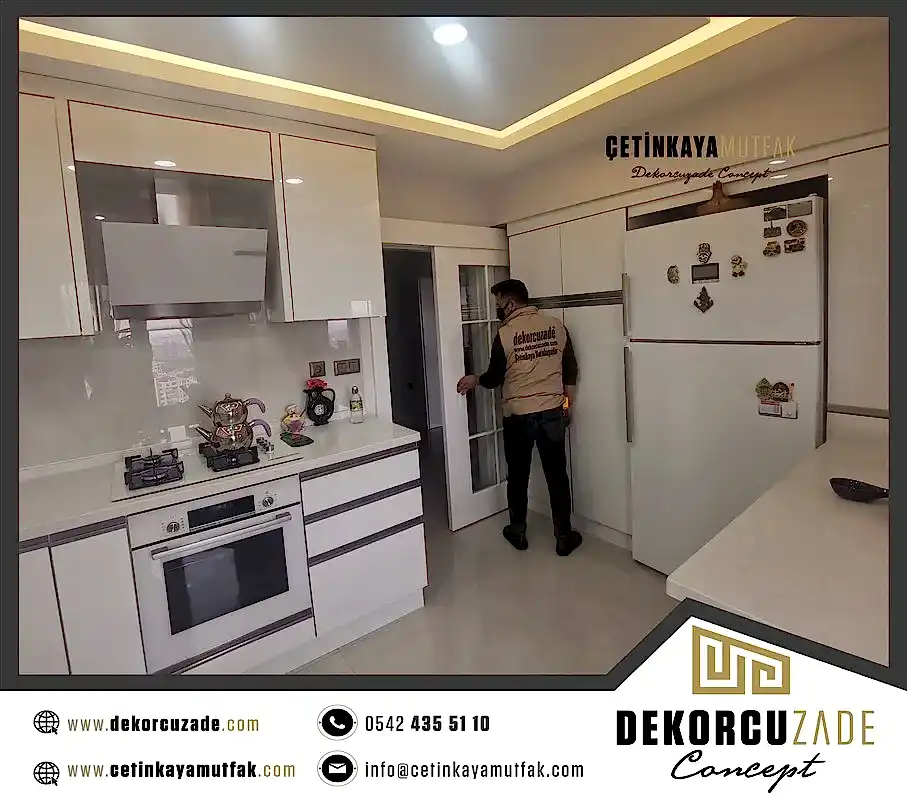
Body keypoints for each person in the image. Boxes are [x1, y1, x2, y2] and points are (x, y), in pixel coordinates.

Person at [457, 279, 582, 557]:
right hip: (552, 412)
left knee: (518, 475)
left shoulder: (505, 334)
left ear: (511, 303)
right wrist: (567, 405)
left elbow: (494, 377)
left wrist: (475, 379)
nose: (498, 308)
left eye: (499, 303)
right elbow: (570, 370)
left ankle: (518, 532)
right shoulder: (557, 326)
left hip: (518, 416)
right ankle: (563, 536)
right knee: (557, 476)